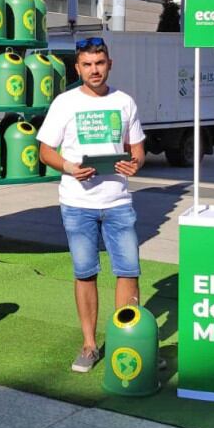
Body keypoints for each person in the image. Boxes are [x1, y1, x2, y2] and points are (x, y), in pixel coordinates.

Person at [37, 37, 146, 373]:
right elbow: (45, 151)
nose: (94, 70)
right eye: (87, 64)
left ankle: (123, 340)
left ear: (109, 64)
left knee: (128, 271)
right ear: (78, 68)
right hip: (76, 203)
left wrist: (134, 164)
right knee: (85, 273)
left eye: (99, 63)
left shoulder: (125, 102)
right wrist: (70, 168)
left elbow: (137, 150)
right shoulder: (64, 103)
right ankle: (88, 345)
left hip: (117, 203)